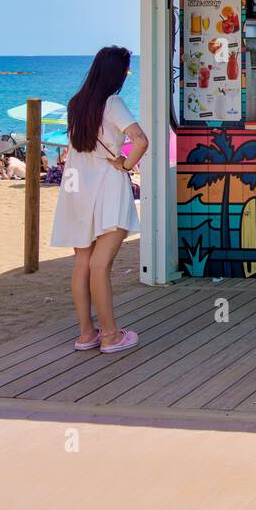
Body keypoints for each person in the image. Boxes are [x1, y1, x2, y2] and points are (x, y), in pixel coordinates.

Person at [51, 46, 148, 354]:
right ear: (117, 73)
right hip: (107, 187)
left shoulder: (76, 104)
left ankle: (85, 334)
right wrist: (126, 163)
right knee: (100, 264)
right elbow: (141, 140)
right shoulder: (113, 103)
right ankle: (110, 335)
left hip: (76, 189)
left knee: (83, 264)